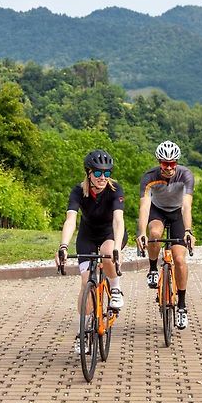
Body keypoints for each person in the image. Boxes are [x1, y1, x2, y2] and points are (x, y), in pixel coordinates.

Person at [55, 149, 128, 353]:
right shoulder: (78, 191)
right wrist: (63, 246)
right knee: (86, 281)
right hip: (87, 235)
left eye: (107, 173)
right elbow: (70, 220)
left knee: (106, 254)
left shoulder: (115, 190)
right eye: (97, 173)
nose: (103, 177)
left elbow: (118, 220)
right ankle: (83, 330)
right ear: (89, 173)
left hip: (110, 234)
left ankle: (115, 288)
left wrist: (116, 247)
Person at [136, 140, 196, 330]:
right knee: (154, 233)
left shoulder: (185, 175)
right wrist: (141, 233)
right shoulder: (149, 177)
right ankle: (153, 268)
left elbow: (187, 206)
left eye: (172, 163)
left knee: (179, 259)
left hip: (177, 214)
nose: (169, 167)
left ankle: (182, 306)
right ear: (159, 162)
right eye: (164, 163)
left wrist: (188, 231)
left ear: (176, 162)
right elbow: (144, 207)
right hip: (158, 211)